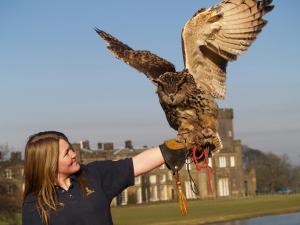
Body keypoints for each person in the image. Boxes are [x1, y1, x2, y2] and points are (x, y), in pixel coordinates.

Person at [22, 131, 187, 225]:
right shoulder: (34, 205)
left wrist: (184, 142)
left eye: (71, 149)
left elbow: (138, 163)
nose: (74, 154)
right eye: (67, 153)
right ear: (49, 163)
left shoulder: (94, 175)